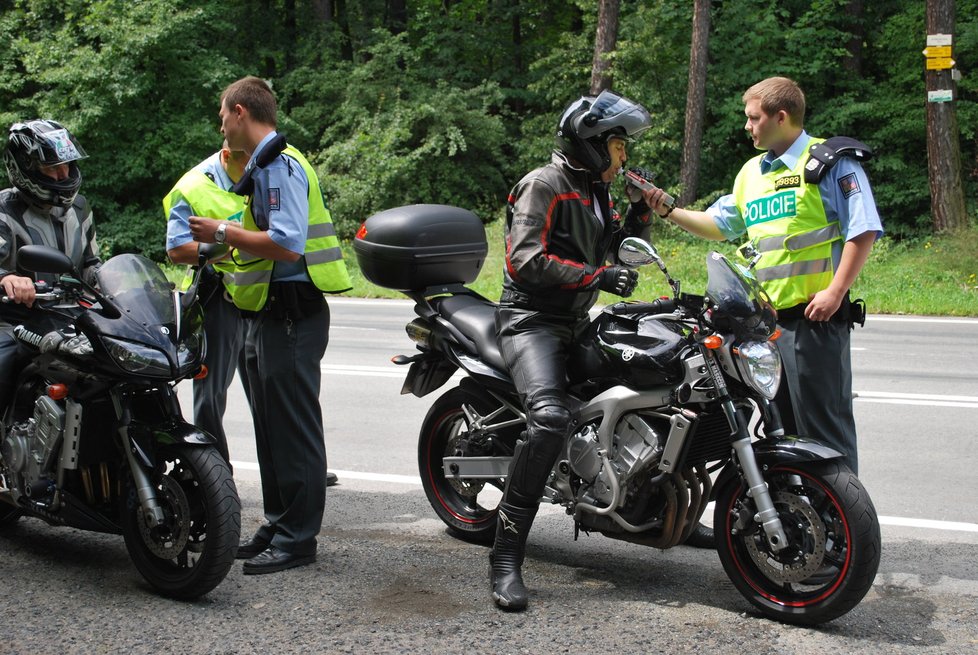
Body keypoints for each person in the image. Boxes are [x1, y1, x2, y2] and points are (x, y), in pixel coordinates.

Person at [646, 76, 882, 481]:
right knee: (783, 431)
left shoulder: (830, 162)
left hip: (815, 321)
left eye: (753, 118)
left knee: (824, 431)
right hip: (764, 329)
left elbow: (863, 230)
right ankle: (804, 524)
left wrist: (835, 291)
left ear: (782, 116)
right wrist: (668, 209)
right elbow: (719, 224)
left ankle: (847, 530)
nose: (747, 126)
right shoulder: (751, 174)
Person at [490, 90, 656, 611]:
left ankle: (654, 512)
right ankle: (505, 555)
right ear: (588, 144)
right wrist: (598, 276)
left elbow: (611, 248)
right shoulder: (545, 185)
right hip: (530, 320)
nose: (623, 156)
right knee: (548, 418)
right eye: (617, 145)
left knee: (650, 383)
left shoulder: (595, 190)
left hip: (575, 318)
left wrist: (640, 214)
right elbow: (525, 261)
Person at [190, 76, 352, 575]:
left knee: (294, 429)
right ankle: (278, 524)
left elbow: (287, 243)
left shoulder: (280, 164)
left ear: (240, 112)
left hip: (292, 312)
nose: (221, 127)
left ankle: (299, 539)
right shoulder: (262, 166)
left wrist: (223, 231)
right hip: (265, 311)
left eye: (223, 117)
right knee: (270, 429)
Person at [0, 120, 100, 410]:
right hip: (14, 322)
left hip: (74, 319)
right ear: (26, 168)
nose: (63, 173)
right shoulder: (5, 210)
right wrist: (8, 278)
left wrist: (126, 284)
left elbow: (92, 264)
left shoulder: (80, 208)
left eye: (67, 164)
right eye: (52, 167)